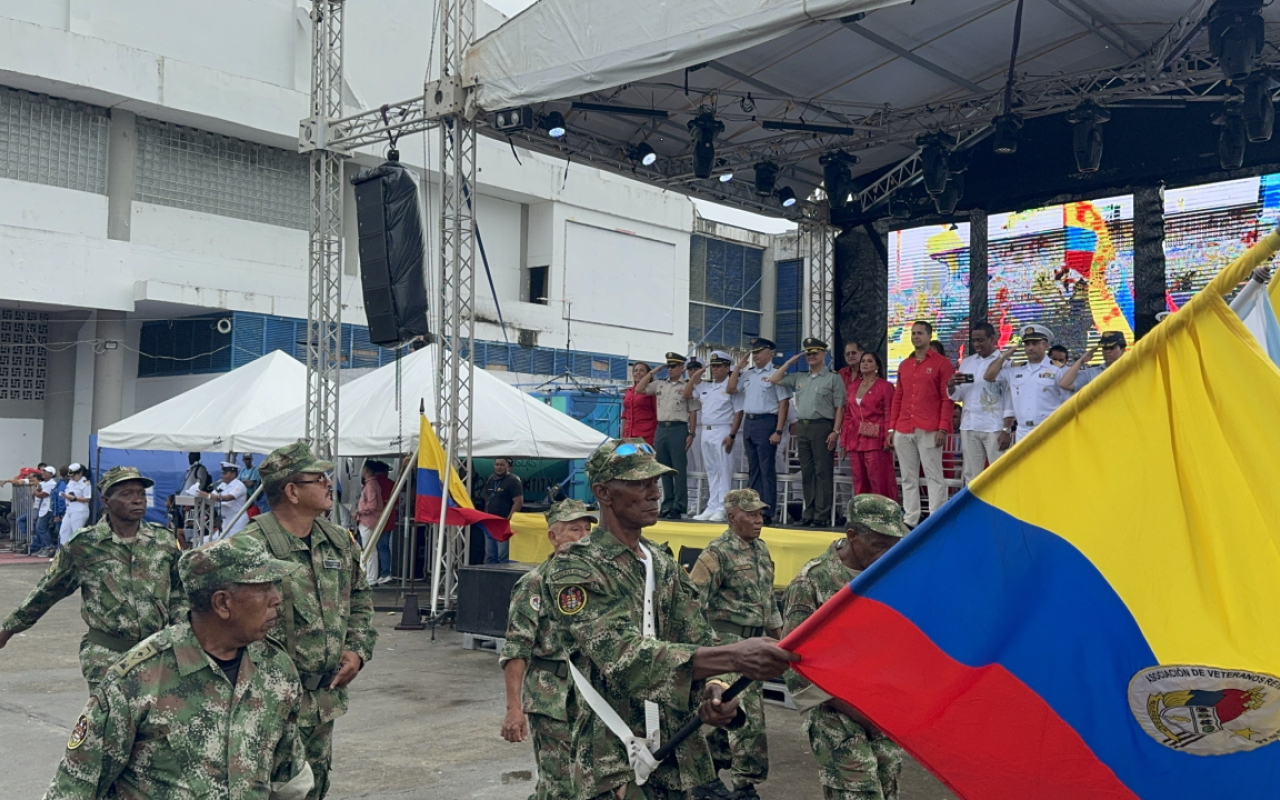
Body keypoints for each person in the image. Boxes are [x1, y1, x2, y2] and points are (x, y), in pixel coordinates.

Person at [544, 439, 797, 800]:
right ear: (603, 492)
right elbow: (622, 656)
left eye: (655, 483)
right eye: (638, 484)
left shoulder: (660, 564)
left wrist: (717, 688)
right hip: (615, 760)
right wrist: (733, 657)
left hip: (682, 757)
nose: (653, 493)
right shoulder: (576, 567)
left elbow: (701, 635)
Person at [42, 535, 313, 800]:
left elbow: (287, 777)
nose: (277, 598)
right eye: (264, 588)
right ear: (222, 603)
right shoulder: (138, 678)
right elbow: (74, 787)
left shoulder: (275, 667)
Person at [240, 442, 377, 800]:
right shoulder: (250, 548)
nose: (328, 483)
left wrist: (357, 650)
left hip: (322, 700)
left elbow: (360, 599)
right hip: (268, 705)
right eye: (318, 478)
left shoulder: (338, 542)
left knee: (313, 788)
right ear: (291, 491)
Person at [0, 467, 186, 691]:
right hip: (107, 657)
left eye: (140, 494)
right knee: (109, 724)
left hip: (157, 654)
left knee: (157, 725)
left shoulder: (162, 540)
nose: (137, 500)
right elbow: (47, 591)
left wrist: (186, 638)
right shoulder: (84, 545)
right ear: (106, 501)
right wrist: (9, 628)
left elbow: (179, 593)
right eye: (127, 494)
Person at [783, 494, 909, 800]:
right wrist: (857, 711)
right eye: (879, 545)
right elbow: (792, 662)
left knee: (888, 785)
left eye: (895, 545)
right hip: (835, 714)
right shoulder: (812, 581)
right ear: (852, 536)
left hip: (882, 708)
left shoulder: (892, 575)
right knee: (858, 792)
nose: (888, 554)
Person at [500, 499, 599, 800]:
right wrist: (514, 709)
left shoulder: (599, 582)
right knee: (559, 786)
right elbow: (517, 647)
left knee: (596, 782)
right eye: (574, 529)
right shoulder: (534, 584)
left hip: (596, 697)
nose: (583, 536)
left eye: (587, 529)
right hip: (553, 696)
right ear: (554, 537)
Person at [688, 488, 783, 800]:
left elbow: (768, 598)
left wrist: (778, 637)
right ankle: (745, 786)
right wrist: (704, 646)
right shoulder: (715, 554)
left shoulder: (760, 550)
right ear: (732, 517)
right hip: (726, 642)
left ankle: (708, 774)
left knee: (726, 713)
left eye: (760, 514)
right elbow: (691, 602)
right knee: (749, 716)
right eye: (751, 514)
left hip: (756, 639)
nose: (759, 520)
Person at [767, 338, 847, 527]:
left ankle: (822, 514)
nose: (811, 356)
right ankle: (809, 511)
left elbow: (840, 407)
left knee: (822, 471)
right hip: (803, 427)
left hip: (822, 426)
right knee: (807, 472)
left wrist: (836, 430)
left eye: (815, 353)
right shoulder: (800, 377)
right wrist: (789, 362)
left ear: (823, 355)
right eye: (808, 353)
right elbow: (775, 379)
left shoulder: (832, 377)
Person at [887, 320, 955, 528]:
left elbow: (947, 398)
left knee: (934, 474)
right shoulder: (905, 365)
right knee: (908, 477)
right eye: (913, 333)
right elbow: (898, 396)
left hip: (929, 426)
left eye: (920, 333)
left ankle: (935, 519)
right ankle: (910, 519)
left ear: (929, 336)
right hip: (904, 426)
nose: (916, 337)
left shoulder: (942, 363)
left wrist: (943, 427)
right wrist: (892, 427)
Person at [727, 338, 791, 526]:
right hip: (750, 421)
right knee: (753, 469)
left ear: (769, 353)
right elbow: (731, 389)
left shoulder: (776, 374)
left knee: (766, 469)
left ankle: (767, 510)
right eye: (753, 352)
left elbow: (783, 404)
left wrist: (778, 430)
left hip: (766, 422)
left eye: (759, 352)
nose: (755, 356)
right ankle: (752, 508)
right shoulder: (748, 374)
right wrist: (738, 367)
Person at [636, 352, 701, 520]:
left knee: (678, 469)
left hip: (678, 428)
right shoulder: (660, 384)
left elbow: (693, 411)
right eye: (668, 366)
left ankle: (679, 506)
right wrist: (652, 373)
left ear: (681, 368)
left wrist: (691, 432)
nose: (670, 370)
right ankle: (667, 504)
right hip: (662, 428)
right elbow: (639, 388)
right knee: (663, 468)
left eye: (673, 366)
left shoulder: (686, 385)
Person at [948, 322, 1013, 486]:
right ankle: (974, 511)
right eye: (974, 341)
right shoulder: (967, 362)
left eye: (981, 340)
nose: (976, 344)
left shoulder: (1005, 363)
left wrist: (1006, 429)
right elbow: (959, 396)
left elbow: (1010, 398)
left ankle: (999, 511)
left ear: (993, 339)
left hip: (995, 426)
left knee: (1000, 473)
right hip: (969, 425)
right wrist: (951, 386)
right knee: (971, 475)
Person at [983, 323, 1071, 444]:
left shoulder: (1059, 370)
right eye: (1027, 344)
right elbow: (988, 376)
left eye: (1035, 343)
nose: (1030, 348)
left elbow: (1069, 401)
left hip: (1050, 429)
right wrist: (1003, 356)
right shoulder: (1016, 370)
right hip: (1023, 431)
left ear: (1046, 345)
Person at [686, 351, 743, 523]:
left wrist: (732, 435)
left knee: (724, 470)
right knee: (711, 470)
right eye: (713, 366)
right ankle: (712, 505)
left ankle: (723, 507)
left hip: (723, 430)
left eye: (719, 366)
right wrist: (699, 372)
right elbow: (687, 393)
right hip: (706, 431)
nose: (715, 369)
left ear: (727, 368)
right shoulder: (707, 387)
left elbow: (739, 412)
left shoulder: (732, 387)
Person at [840, 352, 898, 501]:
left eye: (870, 361)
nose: (865, 363)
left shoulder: (885, 386)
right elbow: (848, 415)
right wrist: (844, 440)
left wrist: (887, 437)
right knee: (858, 479)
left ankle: (881, 513)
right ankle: (861, 514)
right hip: (855, 439)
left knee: (877, 478)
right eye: (863, 361)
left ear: (877, 366)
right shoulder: (853, 387)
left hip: (875, 439)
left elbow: (888, 413)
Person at [354, 459, 397, 585]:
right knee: (377, 548)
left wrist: (359, 510)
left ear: (367, 470)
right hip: (381, 519)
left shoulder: (372, 485)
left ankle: (372, 577)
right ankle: (379, 574)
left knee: (371, 549)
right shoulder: (381, 484)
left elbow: (373, 505)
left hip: (370, 520)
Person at [482, 457, 523, 564]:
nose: (499, 467)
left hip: (504, 522)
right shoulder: (491, 479)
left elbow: (518, 501)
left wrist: (510, 518)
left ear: (509, 467)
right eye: (497, 464)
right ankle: (490, 579)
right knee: (490, 555)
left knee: (502, 556)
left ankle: (502, 579)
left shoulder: (513, 480)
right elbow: (487, 498)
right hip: (490, 522)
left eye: (502, 465)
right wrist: (486, 516)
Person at [1058, 330, 1127, 392]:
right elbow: (1064, 384)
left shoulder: (1131, 369)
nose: (1108, 351)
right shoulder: (1092, 373)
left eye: (1112, 348)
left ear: (1122, 350)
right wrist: (1081, 360)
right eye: (1105, 348)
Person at [201, 462, 249, 540]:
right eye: (223, 473)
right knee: (208, 541)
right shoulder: (223, 485)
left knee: (233, 543)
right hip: (226, 520)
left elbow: (228, 498)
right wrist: (202, 495)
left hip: (237, 519)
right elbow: (213, 495)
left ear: (233, 474)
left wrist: (208, 495)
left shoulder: (239, 485)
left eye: (225, 473)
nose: (222, 476)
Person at [622, 361, 659, 445]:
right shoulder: (629, 392)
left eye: (641, 370)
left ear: (647, 374)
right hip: (629, 435)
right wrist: (622, 436)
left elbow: (657, 414)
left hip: (646, 435)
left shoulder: (651, 391)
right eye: (635, 370)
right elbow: (625, 416)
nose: (638, 373)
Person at [57, 463, 93, 546]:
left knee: (76, 533)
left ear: (80, 473)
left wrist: (74, 498)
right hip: (69, 509)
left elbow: (87, 498)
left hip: (79, 510)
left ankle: (76, 555)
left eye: (74, 475)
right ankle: (63, 553)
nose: (72, 477)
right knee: (63, 531)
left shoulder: (85, 483)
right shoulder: (71, 482)